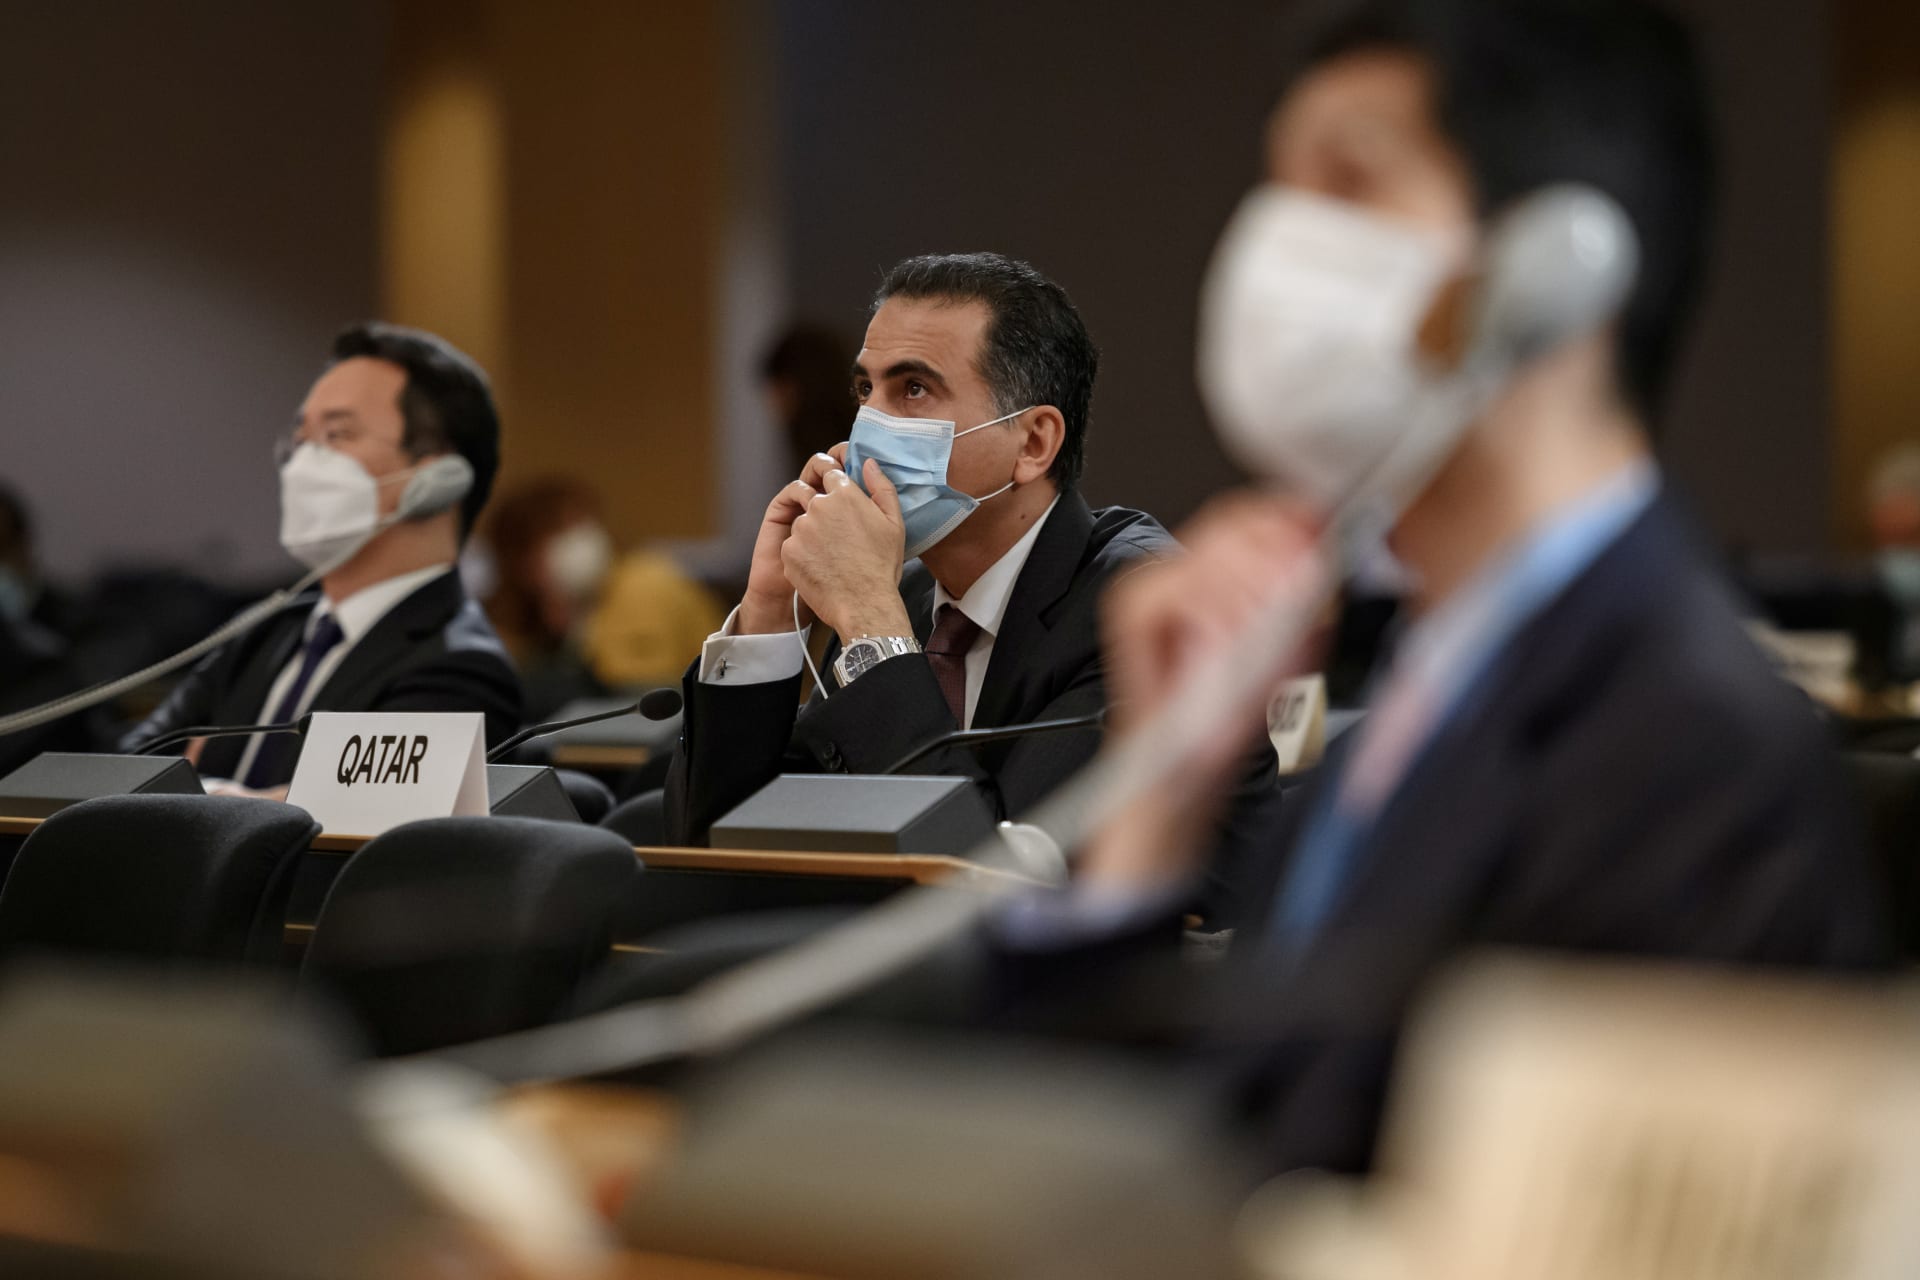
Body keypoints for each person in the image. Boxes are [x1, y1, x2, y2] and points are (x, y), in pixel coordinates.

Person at [993, 0, 1890, 1178]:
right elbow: (1182, 1149)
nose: (1275, 248)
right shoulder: (1432, 681)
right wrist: (1156, 816)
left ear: (1562, 268)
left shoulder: (1692, 754)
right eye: (1280, 188)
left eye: (1348, 185)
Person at [666, 252, 1278, 896]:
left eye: (913, 390)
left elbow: (991, 891)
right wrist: (767, 612)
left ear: (1034, 443)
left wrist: (874, 627)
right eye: (864, 390)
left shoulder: (1136, 603)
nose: (870, 425)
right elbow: (709, 852)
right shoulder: (905, 595)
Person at [122, 323, 521, 796]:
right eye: (301, 439)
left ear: (439, 480)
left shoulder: (462, 665)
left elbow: (348, 827)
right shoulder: (262, 633)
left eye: (337, 434)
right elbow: (126, 777)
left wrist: (204, 794)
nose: (302, 463)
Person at [481, 475, 723, 720]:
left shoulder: (645, 583)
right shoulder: (570, 606)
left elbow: (637, 702)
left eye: (581, 523)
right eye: (559, 532)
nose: (578, 542)